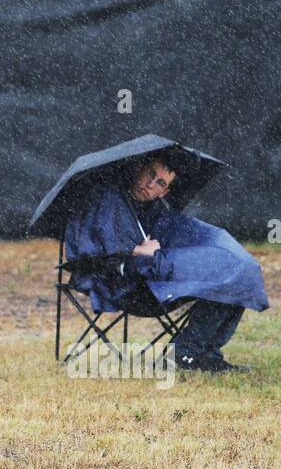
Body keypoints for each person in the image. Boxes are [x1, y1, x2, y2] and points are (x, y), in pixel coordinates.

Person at [63, 152, 269, 372]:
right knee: (224, 273)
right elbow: (92, 250)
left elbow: (176, 234)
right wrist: (135, 251)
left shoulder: (157, 211)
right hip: (127, 287)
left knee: (234, 274)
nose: (150, 184)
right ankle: (187, 352)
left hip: (158, 278)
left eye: (159, 182)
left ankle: (202, 353)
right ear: (140, 168)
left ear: (164, 191)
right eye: (150, 174)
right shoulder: (108, 198)